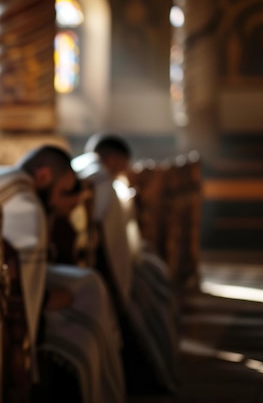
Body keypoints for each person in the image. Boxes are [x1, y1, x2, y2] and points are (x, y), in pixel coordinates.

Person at [0, 145, 126, 403]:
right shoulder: (29, 206)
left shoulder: (8, 183)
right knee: (87, 300)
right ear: (44, 176)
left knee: (87, 285)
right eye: (63, 192)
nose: (62, 201)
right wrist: (46, 299)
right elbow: (26, 297)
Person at [72, 132, 180, 394]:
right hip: (97, 266)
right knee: (152, 286)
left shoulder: (81, 168)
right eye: (122, 164)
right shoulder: (101, 179)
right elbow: (97, 222)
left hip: (85, 260)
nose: (124, 171)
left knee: (151, 275)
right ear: (113, 158)